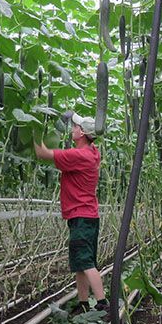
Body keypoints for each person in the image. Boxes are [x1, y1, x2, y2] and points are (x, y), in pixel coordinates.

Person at [35, 112, 105, 313]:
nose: (72, 128)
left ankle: (102, 304)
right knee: (80, 262)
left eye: (75, 127)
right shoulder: (91, 151)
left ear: (82, 133)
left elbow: (42, 154)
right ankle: (83, 304)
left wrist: (33, 125)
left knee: (86, 262)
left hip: (81, 215)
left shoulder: (79, 156)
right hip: (85, 215)